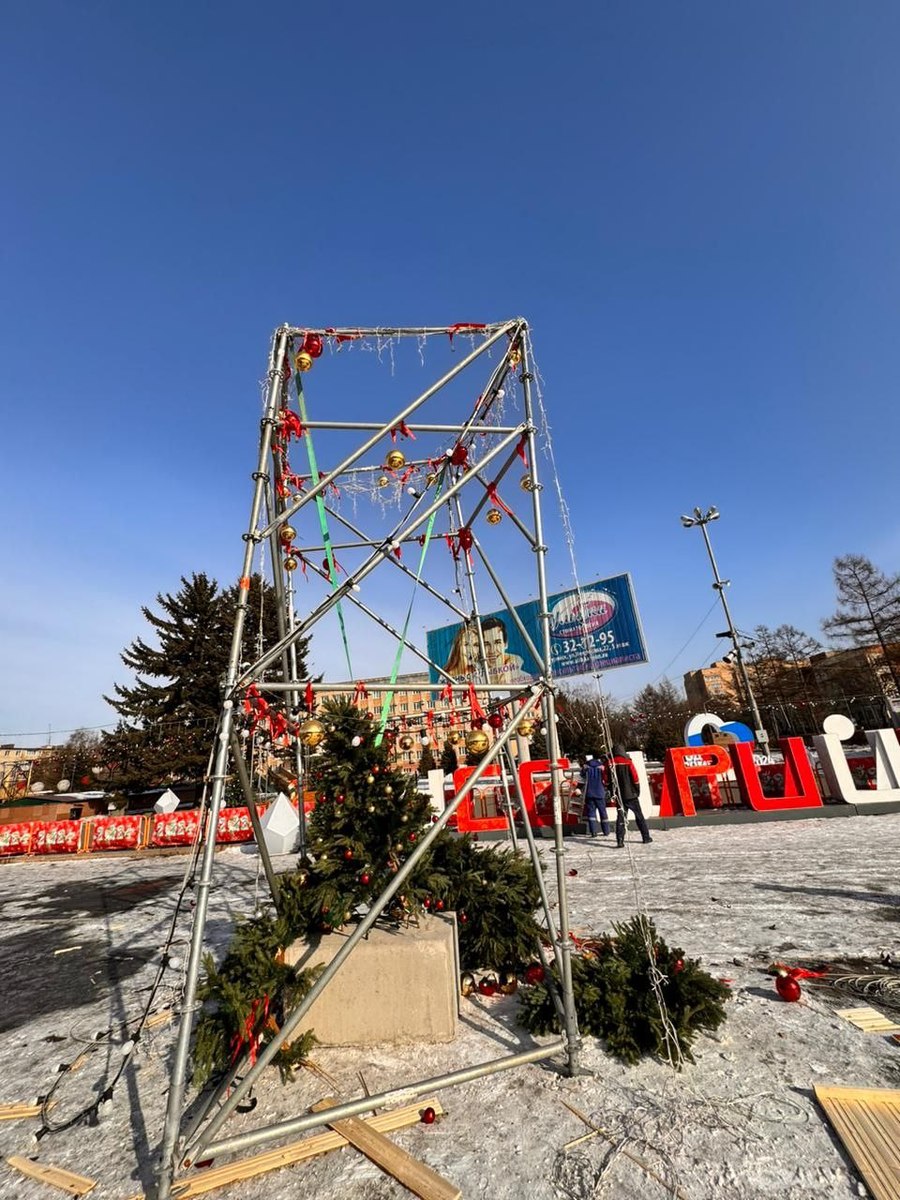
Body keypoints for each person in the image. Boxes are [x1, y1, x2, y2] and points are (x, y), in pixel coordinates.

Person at [603, 744, 652, 847]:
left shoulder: (609, 763)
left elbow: (606, 779)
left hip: (619, 795)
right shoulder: (628, 761)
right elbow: (635, 777)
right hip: (631, 795)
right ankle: (645, 837)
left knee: (620, 818)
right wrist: (637, 790)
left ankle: (620, 840)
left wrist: (611, 791)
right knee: (639, 816)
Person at [580, 754, 610, 837]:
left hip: (589, 793)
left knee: (591, 813)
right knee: (603, 812)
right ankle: (606, 831)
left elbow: (581, 777)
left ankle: (593, 832)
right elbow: (606, 778)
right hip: (600, 793)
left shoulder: (585, 767)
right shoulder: (602, 767)